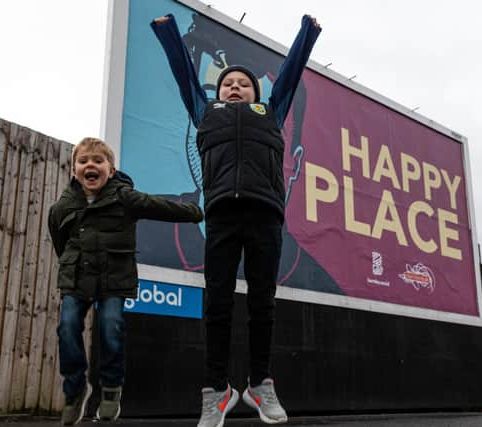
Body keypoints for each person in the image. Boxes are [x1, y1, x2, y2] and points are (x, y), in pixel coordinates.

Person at [151, 12, 321, 427]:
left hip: (264, 216)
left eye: (243, 83)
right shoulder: (205, 112)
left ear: (256, 93)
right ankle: (217, 390)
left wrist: (307, 33)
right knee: (219, 305)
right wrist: (168, 31)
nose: (235, 86)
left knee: (263, 303)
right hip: (223, 216)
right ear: (219, 92)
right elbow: (184, 75)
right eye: (228, 83)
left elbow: (291, 75)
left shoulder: (271, 111)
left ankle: (260, 384)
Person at [48, 137, 203, 426]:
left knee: (111, 327)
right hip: (77, 277)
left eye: (97, 161)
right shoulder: (62, 207)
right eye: (83, 161)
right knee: (67, 327)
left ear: (111, 169)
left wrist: (193, 212)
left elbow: (160, 206)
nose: (90, 165)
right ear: (74, 170)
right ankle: (75, 389)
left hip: (113, 278)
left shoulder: (124, 197)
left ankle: (110, 388)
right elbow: (60, 241)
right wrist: (72, 265)